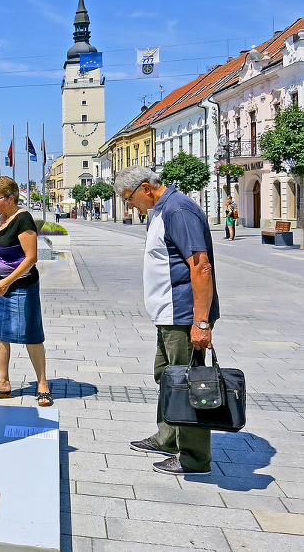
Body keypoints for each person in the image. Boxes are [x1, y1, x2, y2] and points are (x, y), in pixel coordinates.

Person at [114, 166, 219, 475]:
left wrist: (200, 322)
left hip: (183, 316)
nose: (129, 205)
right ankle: (168, 438)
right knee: (167, 376)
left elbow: (200, 267)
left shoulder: (178, 210)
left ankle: (194, 457)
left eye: (129, 198)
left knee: (189, 383)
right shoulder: (162, 210)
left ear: (146, 188)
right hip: (168, 315)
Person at [0, 176, 52, 407]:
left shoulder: (23, 219)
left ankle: (42, 384)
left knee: (31, 333)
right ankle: (2, 383)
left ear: (11, 198)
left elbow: (31, 258)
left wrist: (8, 281)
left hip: (21, 285)